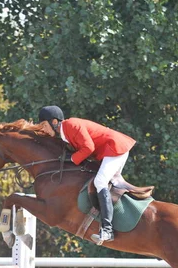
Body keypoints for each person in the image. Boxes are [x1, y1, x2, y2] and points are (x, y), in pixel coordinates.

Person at [38, 105, 136, 245]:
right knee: (107, 184)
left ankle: (107, 230)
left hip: (114, 147)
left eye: (43, 125)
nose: (43, 129)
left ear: (54, 122)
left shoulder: (70, 125)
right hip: (110, 150)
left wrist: (72, 159)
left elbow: (88, 147)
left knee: (100, 182)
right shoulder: (65, 132)